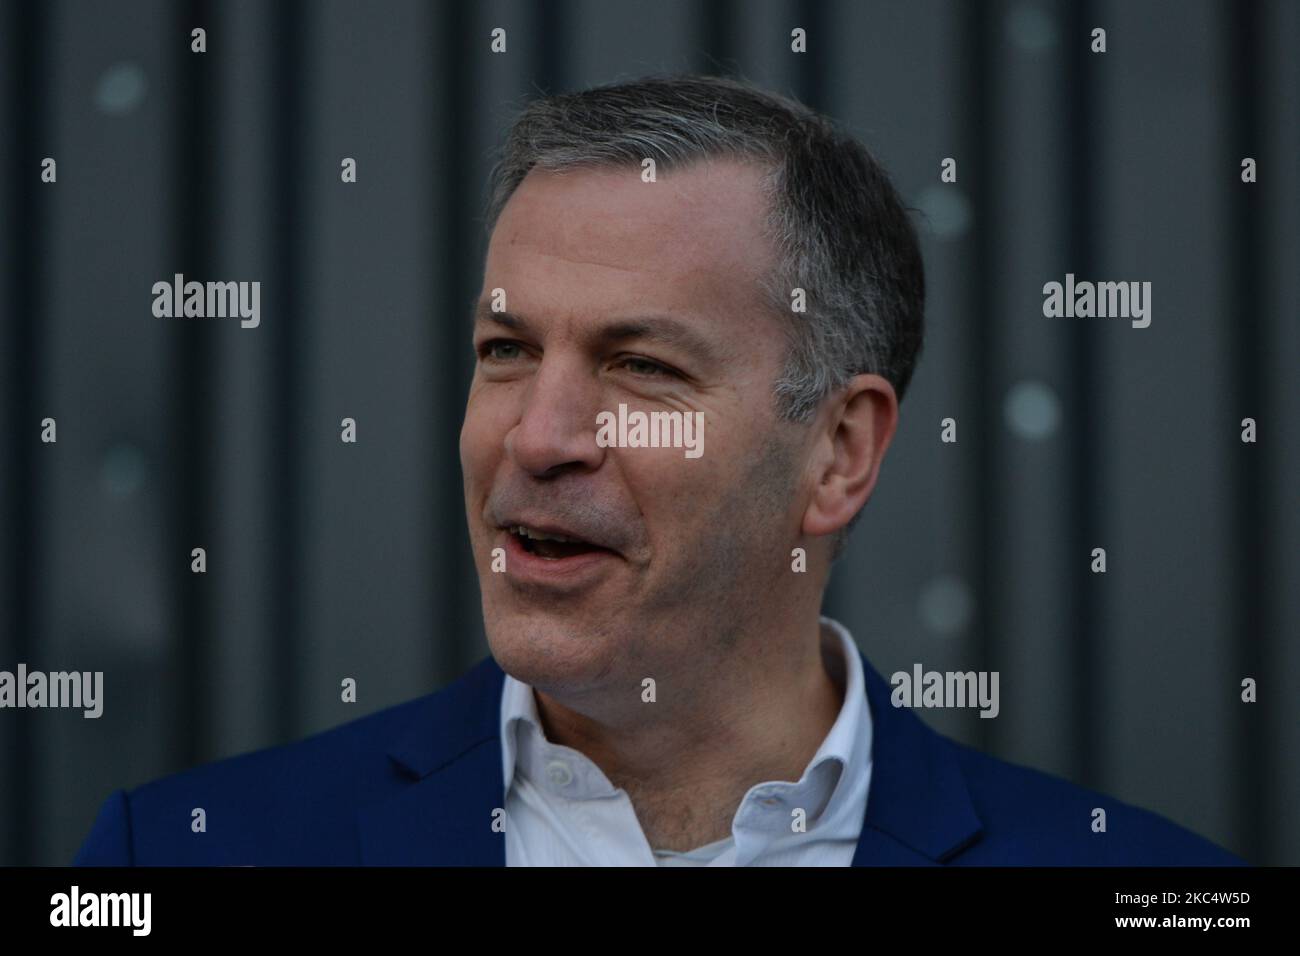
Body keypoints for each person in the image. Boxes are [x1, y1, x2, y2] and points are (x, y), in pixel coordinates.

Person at [75, 73, 1241, 866]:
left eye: (638, 366)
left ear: (838, 452)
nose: (539, 436)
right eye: (506, 351)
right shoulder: (186, 848)